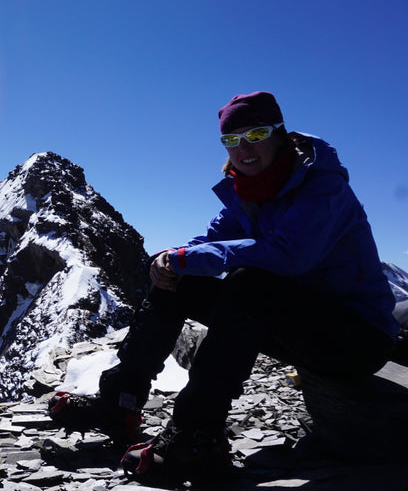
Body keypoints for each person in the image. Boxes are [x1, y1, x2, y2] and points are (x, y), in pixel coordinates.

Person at [47, 91, 398, 483]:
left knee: (250, 282)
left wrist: (187, 258)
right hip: (298, 325)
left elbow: (289, 255)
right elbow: (210, 240)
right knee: (181, 281)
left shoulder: (323, 187)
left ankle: (198, 437)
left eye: (256, 134)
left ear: (280, 134)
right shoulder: (248, 190)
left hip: (357, 338)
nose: (243, 148)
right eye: (232, 140)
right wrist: (170, 258)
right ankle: (120, 402)